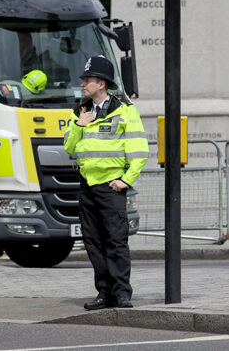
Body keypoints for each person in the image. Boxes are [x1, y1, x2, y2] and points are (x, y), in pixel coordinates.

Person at [64, 56, 148, 310]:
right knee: (93, 241)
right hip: (87, 185)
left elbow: (139, 150)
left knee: (115, 240)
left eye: (88, 80)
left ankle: (122, 293)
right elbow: (69, 147)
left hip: (111, 187)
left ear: (101, 83)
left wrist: (126, 180)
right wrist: (80, 125)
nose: (83, 84)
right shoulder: (80, 111)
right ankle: (104, 292)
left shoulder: (125, 111)